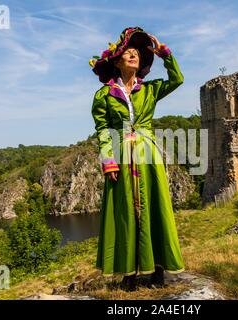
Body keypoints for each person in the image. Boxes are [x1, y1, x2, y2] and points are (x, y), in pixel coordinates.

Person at [90, 26, 185, 292]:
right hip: (120, 156)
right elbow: (103, 131)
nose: (133, 55)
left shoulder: (151, 90)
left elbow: (177, 80)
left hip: (148, 154)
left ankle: (157, 270)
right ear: (116, 62)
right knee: (124, 213)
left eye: (137, 54)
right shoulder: (103, 96)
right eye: (128, 53)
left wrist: (166, 54)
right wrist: (109, 160)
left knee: (154, 207)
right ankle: (128, 273)